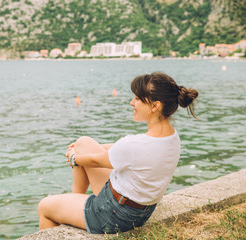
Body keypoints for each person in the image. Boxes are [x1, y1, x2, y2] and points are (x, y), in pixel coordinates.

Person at [38, 72, 199, 234]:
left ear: (155, 106)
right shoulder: (172, 137)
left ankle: (76, 209)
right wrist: (79, 150)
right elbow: (123, 151)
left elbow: (95, 161)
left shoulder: (133, 144)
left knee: (44, 207)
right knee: (83, 142)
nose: (131, 102)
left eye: (137, 98)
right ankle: (74, 204)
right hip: (141, 211)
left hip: (112, 214)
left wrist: (74, 157)